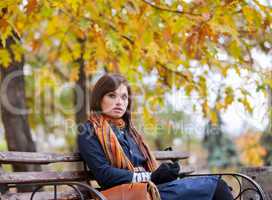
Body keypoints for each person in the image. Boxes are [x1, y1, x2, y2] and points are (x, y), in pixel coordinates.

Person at [77, 73, 233, 200]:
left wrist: (165, 173)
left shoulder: (130, 131)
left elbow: (148, 168)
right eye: (112, 96)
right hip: (128, 194)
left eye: (124, 97)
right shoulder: (88, 130)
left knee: (219, 186)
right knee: (216, 188)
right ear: (99, 99)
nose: (119, 102)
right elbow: (104, 175)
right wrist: (151, 176)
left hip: (151, 189)